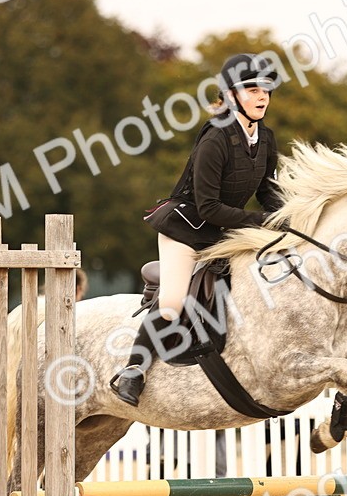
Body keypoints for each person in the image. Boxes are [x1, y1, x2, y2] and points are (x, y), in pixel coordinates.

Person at [109, 53, 286, 406]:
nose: (262, 95)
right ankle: (133, 371)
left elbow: (268, 192)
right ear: (232, 94)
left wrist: (292, 219)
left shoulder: (265, 138)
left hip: (227, 230)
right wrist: (262, 222)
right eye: (251, 88)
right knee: (173, 303)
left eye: (266, 88)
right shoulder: (216, 138)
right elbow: (208, 207)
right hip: (187, 230)